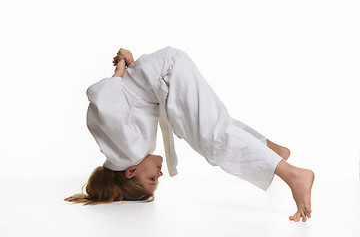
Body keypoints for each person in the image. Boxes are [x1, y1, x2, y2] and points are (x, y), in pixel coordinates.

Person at [65, 46, 314, 222]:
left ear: (131, 172)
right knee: (214, 128)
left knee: (213, 138)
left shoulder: (126, 149)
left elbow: (103, 96)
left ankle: (294, 176)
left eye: (152, 179)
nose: (159, 174)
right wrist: (124, 66)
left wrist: (121, 66)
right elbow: (113, 100)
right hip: (163, 74)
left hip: (166, 75)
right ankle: (272, 152)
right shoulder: (123, 148)